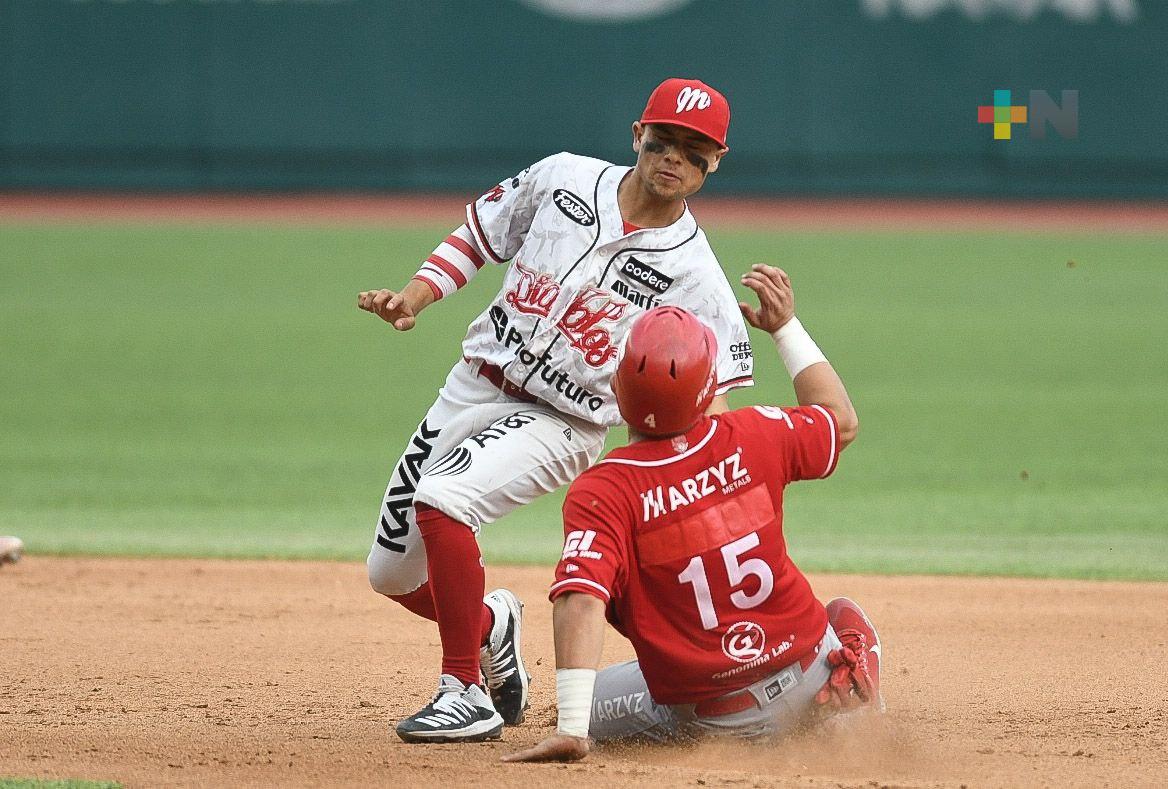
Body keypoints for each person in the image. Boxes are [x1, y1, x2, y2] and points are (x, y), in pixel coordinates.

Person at [357, 78, 757, 743]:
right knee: (391, 571)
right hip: (471, 384)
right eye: (663, 141)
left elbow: (714, 395)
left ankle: (465, 690)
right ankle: (490, 627)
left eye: (695, 151)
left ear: (715, 163)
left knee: (445, 498)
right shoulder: (563, 179)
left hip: (563, 422)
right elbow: (481, 235)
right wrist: (416, 296)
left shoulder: (697, 277)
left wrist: (691, 494)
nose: (674, 159)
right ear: (637, 133)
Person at [503, 266, 881, 763]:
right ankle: (849, 705)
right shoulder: (756, 433)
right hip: (809, 680)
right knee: (845, 616)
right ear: (710, 387)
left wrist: (573, 730)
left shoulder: (604, 488)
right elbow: (841, 422)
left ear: (619, 388)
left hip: (713, 714)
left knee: (584, 703)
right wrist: (785, 326)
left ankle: (590, 721)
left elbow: (581, 597)